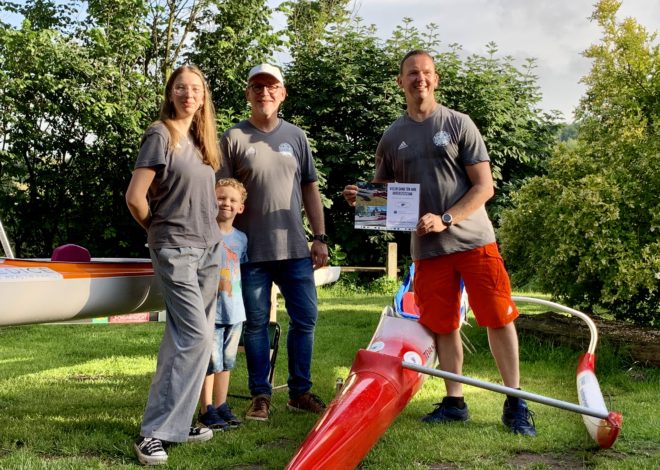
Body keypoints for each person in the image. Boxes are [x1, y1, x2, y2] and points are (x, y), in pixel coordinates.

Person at [343, 50, 536, 436]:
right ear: (400, 82)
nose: (420, 79)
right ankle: (454, 401)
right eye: (412, 73)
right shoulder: (393, 135)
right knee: (443, 325)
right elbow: (386, 193)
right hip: (428, 252)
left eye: (427, 73)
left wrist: (446, 218)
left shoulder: (459, 123)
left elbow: (485, 187)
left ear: (437, 78)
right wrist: (362, 198)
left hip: (473, 241)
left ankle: (515, 402)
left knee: (497, 318)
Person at [218, 63, 329, 421]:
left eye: (272, 86)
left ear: (282, 93)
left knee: (305, 319)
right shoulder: (233, 138)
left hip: (295, 249)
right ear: (248, 93)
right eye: (257, 86)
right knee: (254, 324)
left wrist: (320, 236)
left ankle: (300, 392)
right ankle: (260, 396)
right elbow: (220, 194)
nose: (264, 92)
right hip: (249, 252)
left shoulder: (296, 137)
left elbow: (310, 187)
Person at [126, 64, 223, 466]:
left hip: (209, 249)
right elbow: (135, 197)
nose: (188, 94)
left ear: (204, 96)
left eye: (195, 89)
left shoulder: (204, 142)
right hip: (176, 249)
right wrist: (159, 231)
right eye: (181, 88)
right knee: (195, 338)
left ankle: (178, 423)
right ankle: (153, 433)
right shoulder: (160, 134)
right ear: (171, 93)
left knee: (182, 338)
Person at [197, 178, 248, 430]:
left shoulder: (241, 239)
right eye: (220, 198)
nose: (225, 203)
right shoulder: (203, 235)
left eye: (232, 200)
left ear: (240, 208)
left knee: (227, 361)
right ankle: (206, 408)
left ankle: (221, 404)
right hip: (210, 312)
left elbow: (241, 270)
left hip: (235, 311)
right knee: (210, 361)